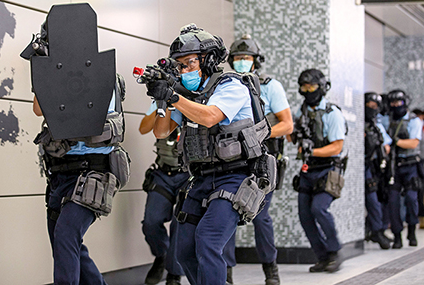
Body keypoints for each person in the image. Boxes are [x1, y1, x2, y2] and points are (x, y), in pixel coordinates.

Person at [146, 23, 273, 285]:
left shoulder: (231, 86)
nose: (184, 70)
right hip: (201, 178)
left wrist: (173, 96)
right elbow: (161, 131)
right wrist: (162, 99)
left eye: (189, 63)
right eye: (179, 65)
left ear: (208, 60)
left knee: (208, 240)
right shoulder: (188, 95)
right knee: (183, 251)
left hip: (236, 176)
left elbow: (211, 116)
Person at [33, 75, 128, 285]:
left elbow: (97, 122)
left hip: (93, 172)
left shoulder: (102, 74)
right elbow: (38, 109)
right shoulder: (55, 74)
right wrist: (43, 74)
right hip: (60, 174)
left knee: (66, 235)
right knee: (64, 242)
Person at [223, 34, 293, 285]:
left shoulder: (270, 86)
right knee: (226, 213)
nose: (242, 62)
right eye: (238, 58)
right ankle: (226, 273)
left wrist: (258, 135)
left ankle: (270, 269)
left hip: (263, 161)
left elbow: (287, 124)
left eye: (247, 58)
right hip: (232, 159)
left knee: (260, 216)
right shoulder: (225, 85)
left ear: (256, 60)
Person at [289, 69, 346, 273]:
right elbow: (293, 137)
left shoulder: (332, 113)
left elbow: (337, 147)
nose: (307, 91)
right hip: (307, 169)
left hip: (328, 169)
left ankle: (335, 252)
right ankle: (322, 257)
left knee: (319, 209)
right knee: (305, 216)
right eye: (304, 87)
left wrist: (312, 150)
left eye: (311, 87)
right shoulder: (301, 111)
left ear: (322, 87)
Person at [139, 101, 189, 285]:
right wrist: (164, 105)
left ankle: (174, 274)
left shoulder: (198, 97)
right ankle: (162, 255)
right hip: (163, 173)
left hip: (188, 174)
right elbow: (143, 128)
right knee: (151, 222)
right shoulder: (162, 101)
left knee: (179, 224)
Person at [382, 90, 422, 248]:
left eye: (399, 103)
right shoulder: (386, 119)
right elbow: (381, 135)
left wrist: (394, 141)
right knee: (393, 202)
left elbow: (413, 143)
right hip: (394, 165)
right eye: (393, 103)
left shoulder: (414, 121)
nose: (396, 106)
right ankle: (397, 235)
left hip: (411, 165)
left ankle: (411, 231)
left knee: (412, 199)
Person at [364, 92, 392, 249]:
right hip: (358, 166)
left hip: (372, 167)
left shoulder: (376, 125)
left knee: (375, 199)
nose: (371, 109)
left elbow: (387, 144)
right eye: (369, 105)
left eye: (375, 106)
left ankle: (377, 230)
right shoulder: (358, 123)